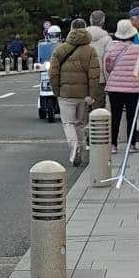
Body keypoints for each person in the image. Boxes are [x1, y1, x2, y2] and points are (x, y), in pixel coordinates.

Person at [49, 17, 102, 166]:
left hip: (65, 94)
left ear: (71, 29)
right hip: (83, 94)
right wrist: (92, 95)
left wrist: (57, 91)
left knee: (68, 123)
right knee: (79, 123)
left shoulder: (60, 49)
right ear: (85, 29)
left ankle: (74, 148)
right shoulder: (90, 50)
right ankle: (82, 148)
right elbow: (94, 75)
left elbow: (53, 73)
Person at [102, 20, 139, 152]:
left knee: (115, 116)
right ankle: (131, 145)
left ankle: (113, 145)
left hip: (115, 87)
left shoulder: (111, 48)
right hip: (133, 87)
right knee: (131, 116)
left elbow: (108, 67)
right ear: (132, 35)